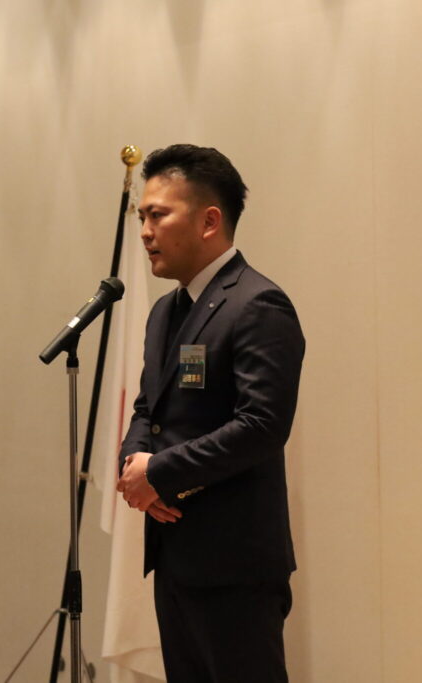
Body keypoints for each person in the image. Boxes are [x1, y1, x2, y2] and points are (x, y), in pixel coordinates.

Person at [116, 144, 305, 682]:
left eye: (158, 215)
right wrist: (135, 462)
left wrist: (161, 472)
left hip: (235, 566)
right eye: (141, 217)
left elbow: (262, 426)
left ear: (209, 221)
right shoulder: (164, 311)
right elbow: (148, 407)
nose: (145, 232)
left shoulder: (257, 304)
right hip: (177, 558)